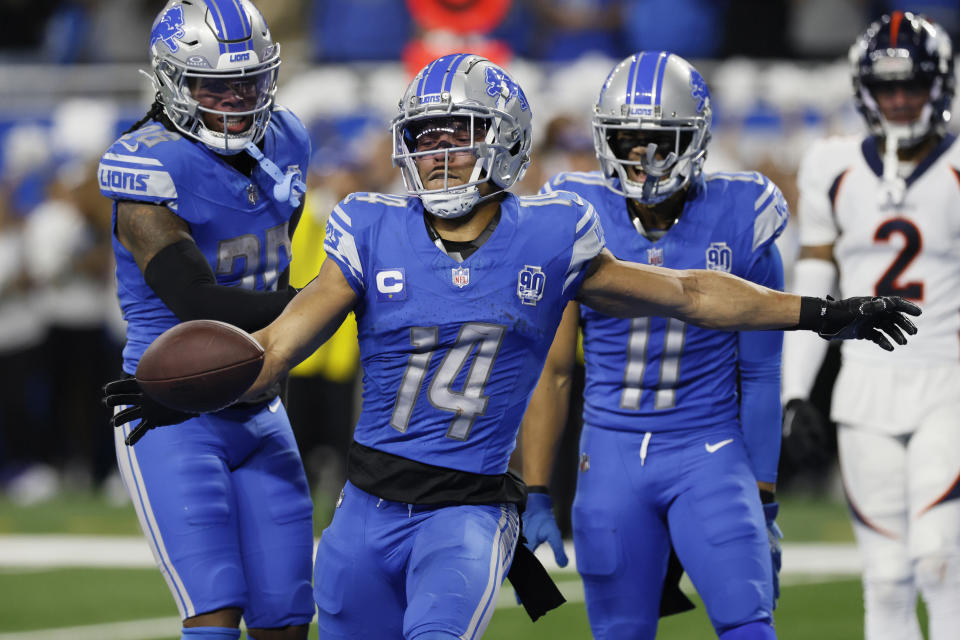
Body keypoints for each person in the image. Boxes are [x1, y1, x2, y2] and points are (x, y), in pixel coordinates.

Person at [107, 53, 919, 640]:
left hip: (463, 510)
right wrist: (188, 386)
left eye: (457, 137)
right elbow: (280, 345)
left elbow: (690, 294)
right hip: (361, 511)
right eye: (424, 140)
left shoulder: (551, 234)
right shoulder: (370, 226)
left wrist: (821, 311)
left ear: (503, 143)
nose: (438, 156)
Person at [517, 50, 787, 640]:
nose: (645, 156)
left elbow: (763, 372)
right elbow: (554, 369)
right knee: (620, 631)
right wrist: (536, 487)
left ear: (695, 137)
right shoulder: (573, 209)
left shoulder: (744, 212)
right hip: (609, 453)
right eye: (629, 138)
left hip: (710, 449)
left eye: (661, 139)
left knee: (749, 624)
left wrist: (764, 495)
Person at [98, 2, 313, 639]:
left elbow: (271, 279)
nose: (237, 99)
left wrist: (286, 344)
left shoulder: (291, 139)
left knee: (286, 617)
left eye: (249, 82)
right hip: (171, 410)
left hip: (261, 406)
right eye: (215, 86)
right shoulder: (146, 163)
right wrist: (327, 297)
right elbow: (197, 300)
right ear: (172, 80)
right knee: (215, 615)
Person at [782, 12, 959, 640]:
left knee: (940, 559)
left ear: (939, 85)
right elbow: (813, 281)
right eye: (888, 87)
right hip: (864, 387)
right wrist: (796, 391)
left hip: (949, 385)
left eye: (912, 85)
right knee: (884, 577)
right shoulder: (832, 164)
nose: (901, 98)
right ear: (865, 91)